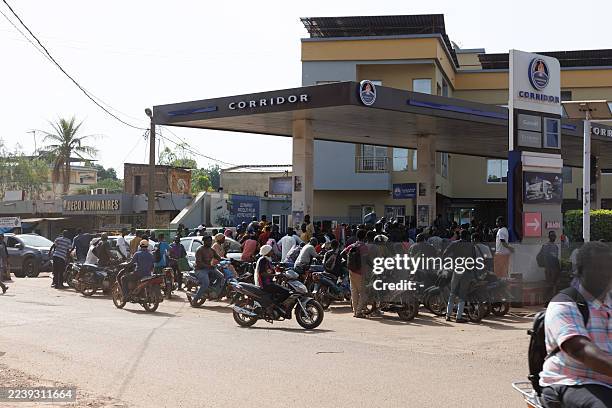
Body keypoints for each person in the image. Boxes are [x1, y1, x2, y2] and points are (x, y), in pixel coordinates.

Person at [539, 241, 612, 408]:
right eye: (597, 268)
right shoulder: (564, 303)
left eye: (608, 267)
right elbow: (580, 350)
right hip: (573, 380)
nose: (605, 273)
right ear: (579, 271)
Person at [444, 230, 477, 323]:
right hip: (467, 271)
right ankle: (458, 317)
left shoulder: (454, 244)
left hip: (457, 270)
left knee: (452, 293)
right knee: (463, 294)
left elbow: (445, 254)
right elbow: (474, 259)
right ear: (467, 236)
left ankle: (448, 315)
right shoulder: (471, 246)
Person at [186, 235, 221, 307]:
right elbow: (199, 262)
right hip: (200, 269)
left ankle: (212, 290)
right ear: (204, 242)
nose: (209, 242)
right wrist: (209, 266)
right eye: (208, 241)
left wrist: (228, 260)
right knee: (205, 283)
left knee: (221, 277)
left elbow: (218, 257)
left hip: (210, 268)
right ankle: (195, 300)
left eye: (210, 241)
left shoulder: (211, 250)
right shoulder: (200, 250)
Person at [341, 229, 369, 318]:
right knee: (363, 293)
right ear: (364, 237)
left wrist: (349, 261)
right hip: (360, 272)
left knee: (354, 292)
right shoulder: (364, 247)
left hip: (351, 270)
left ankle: (355, 311)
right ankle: (358, 311)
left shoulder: (352, 245)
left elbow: (342, 253)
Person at [539, 231, 561, 301]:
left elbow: (556, 258)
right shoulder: (546, 246)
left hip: (555, 268)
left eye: (554, 236)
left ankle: (551, 299)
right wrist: (547, 268)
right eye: (552, 236)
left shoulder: (556, 247)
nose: (553, 237)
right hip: (549, 268)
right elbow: (545, 257)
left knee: (554, 284)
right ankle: (546, 299)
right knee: (549, 284)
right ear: (549, 237)